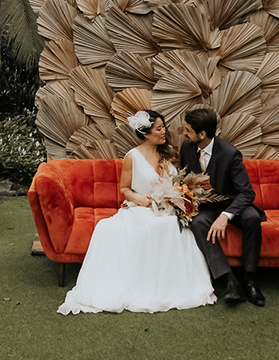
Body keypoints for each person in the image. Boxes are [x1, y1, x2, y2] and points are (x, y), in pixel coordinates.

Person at [58, 110, 216, 314]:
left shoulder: (166, 155)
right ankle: (143, 285)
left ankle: (172, 284)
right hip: (140, 207)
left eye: (164, 127)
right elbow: (124, 189)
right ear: (146, 133)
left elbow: (176, 184)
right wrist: (140, 199)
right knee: (151, 226)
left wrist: (177, 198)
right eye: (159, 128)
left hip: (165, 207)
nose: (164, 131)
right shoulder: (132, 156)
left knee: (176, 226)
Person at [179, 106, 266, 307]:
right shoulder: (186, 147)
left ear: (202, 134)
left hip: (233, 204)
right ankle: (229, 281)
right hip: (207, 207)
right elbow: (184, 178)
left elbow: (247, 193)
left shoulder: (230, 153)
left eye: (188, 130)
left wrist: (226, 216)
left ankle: (250, 279)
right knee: (198, 222)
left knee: (252, 218)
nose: (185, 133)